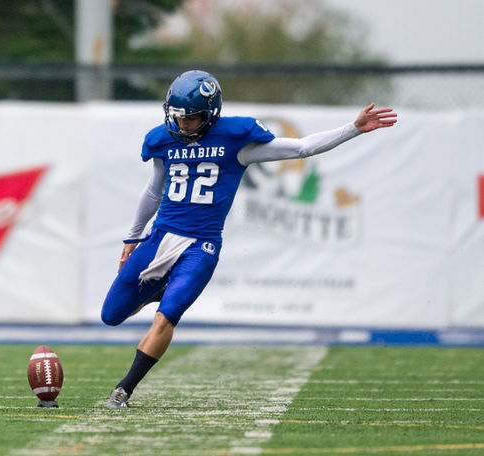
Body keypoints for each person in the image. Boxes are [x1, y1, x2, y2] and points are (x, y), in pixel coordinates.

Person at [101, 70, 397, 409]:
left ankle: (124, 390)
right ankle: (158, 290)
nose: (183, 124)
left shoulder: (235, 140)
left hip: (200, 246)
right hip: (160, 238)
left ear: (211, 113)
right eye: (178, 117)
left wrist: (353, 128)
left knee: (166, 316)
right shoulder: (162, 139)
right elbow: (154, 189)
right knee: (110, 315)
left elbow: (301, 148)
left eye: (192, 117)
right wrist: (132, 236)